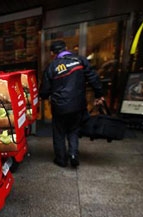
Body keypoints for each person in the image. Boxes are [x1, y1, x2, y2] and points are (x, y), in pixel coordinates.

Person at [39, 40, 104, 168]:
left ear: (52, 53)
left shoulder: (51, 67)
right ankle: (73, 154)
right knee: (73, 130)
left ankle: (61, 160)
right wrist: (99, 94)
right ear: (66, 48)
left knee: (59, 133)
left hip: (59, 107)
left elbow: (44, 91)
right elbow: (93, 77)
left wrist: (45, 96)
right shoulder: (80, 60)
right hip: (78, 105)